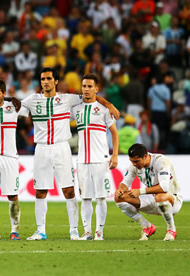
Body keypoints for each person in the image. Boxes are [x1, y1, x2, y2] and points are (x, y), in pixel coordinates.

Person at [19, 67, 118, 240]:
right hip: (41, 148)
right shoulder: (32, 100)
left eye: (49, 78)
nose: (45, 82)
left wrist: (108, 104)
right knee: (40, 191)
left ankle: (74, 230)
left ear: (56, 81)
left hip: (61, 148)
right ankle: (40, 230)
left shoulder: (68, 99)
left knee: (69, 191)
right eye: (42, 79)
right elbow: (14, 106)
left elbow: (91, 97)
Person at [71, 74, 119, 241]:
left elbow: (114, 133)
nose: (86, 89)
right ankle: (87, 232)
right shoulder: (76, 109)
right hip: (82, 160)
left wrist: (115, 155)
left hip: (100, 159)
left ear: (97, 89)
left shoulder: (105, 110)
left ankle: (99, 232)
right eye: (84, 86)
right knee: (85, 197)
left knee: (101, 197)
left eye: (90, 86)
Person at [0, 79, 27, 241]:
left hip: (10, 157)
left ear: (4, 94)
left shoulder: (14, 108)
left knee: (12, 195)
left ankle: (14, 231)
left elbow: (28, 108)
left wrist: (11, 100)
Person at [115, 143, 183, 241]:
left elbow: (164, 187)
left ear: (145, 156)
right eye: (131, 161)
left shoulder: (161, 162)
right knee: (119, 198)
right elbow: (124, 183)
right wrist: (120, 190)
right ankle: (147, 227)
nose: (134, 164)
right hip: (152, 199)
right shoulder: (134, 165)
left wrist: (140, 191)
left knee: (160, 197)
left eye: (136, 161)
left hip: (172, 201)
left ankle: (171, 229)